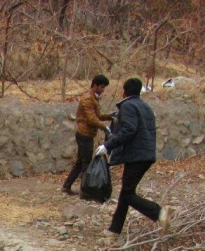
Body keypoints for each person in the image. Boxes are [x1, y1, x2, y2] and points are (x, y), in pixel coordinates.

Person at [95, 77, 170, 239]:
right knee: (126, 191)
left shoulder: (128, 106)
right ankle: (114, 230)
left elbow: (129, 130)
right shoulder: (145, 106)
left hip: (136, 156)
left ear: (124, 92)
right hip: (145, 155)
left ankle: (158, 212)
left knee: (128, 194)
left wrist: (108, 146)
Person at [62, 74, 114, 197]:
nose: (103, 90)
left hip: (86, 134)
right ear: (95, 85)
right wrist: (105, 127)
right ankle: (85, 190)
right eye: (102, 87)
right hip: (84, 134)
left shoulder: (92, 98)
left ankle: (67, 186)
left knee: (81, 162)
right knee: (86, 164)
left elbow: (97, 116)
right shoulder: (88, 99)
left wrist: (110, 116)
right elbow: (92, 119)